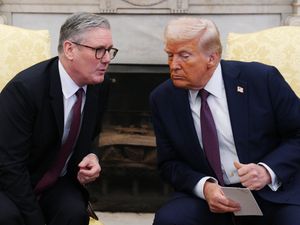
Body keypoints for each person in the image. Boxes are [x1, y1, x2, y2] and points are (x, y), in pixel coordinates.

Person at [150, 17, 300, 225]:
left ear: (211, 58)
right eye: (170, 55)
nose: (173, 65)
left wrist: (267, 171)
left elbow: (297, 134)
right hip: (210, 199)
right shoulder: (163, 98)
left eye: (184, 56)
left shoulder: (261, 79)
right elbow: (169, 163)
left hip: (273, 192)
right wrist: (205, 187)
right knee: (170, 220)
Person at [0, 12, 118, 225]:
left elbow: (93, 134)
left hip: (57, 181)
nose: (107, 59)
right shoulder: (25, 90)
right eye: (99, 51)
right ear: (70, 49)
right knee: (9, 218)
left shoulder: (101, 85)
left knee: (73, 213)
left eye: (110, 50)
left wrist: (92, 155)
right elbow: (9, 164)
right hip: (10, 182)